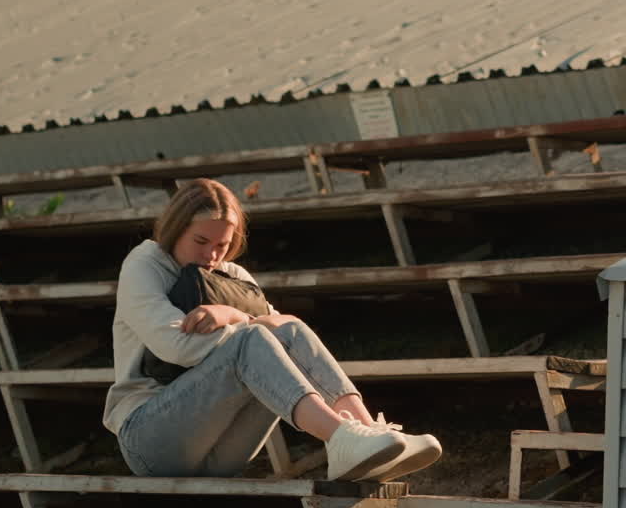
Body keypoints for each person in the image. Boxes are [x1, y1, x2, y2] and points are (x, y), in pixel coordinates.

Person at [103, 178, 442, 483]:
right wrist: (244, 324)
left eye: (222, 244)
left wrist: (231, 313)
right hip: (150, 440)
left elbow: (283, 332)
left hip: (223, 451)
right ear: (176, 230)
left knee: (290, 331)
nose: (211, 255)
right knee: (253, 339)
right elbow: (176, 346)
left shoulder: (232, 275)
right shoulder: (144, 263)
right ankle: (340, 439)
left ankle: (368, 433)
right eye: (201, 241)